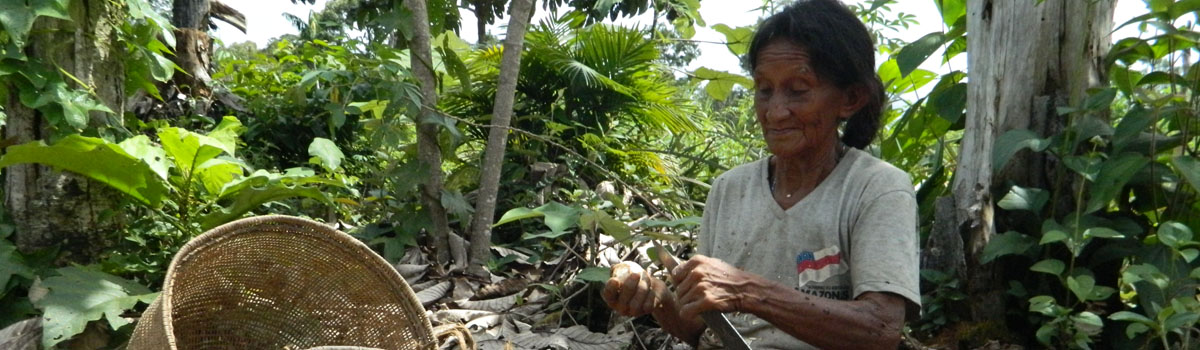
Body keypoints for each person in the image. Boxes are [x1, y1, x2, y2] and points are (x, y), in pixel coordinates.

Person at [601, 0, 920, 348]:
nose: (775, 111)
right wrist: (657, 297)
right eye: (764, 90)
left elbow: (881, 329)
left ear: (850, 98)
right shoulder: (730, 189)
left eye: (798, 91)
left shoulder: (877, 188)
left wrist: (748, 291)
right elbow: (698, 329)